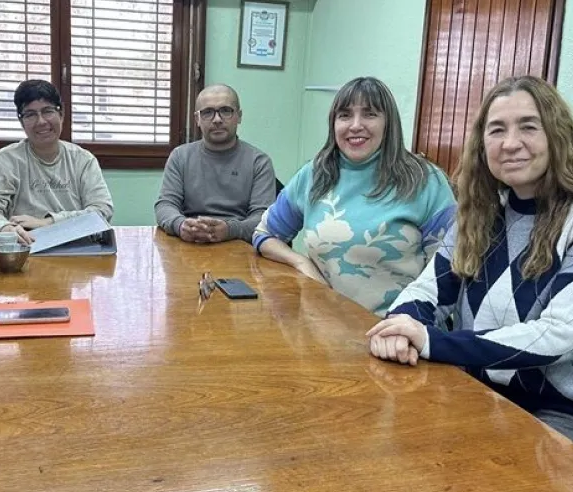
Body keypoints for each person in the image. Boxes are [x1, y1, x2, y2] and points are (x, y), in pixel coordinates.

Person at [367, 76, 573, 487]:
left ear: (558, 135)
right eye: (497, 129)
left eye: (528, 126)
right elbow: (428, 290)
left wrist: (431, 340)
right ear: (481, 144)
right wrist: (401, 326)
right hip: (496, 405)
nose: (510, 142)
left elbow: (562, 336)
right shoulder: (480, 214)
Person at [253, 77, 455, 314]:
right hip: (319, 325)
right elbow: (265, 234)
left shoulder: (424, 180)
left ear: (388, 123)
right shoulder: (315, 174)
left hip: (394, 331)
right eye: (345, 115)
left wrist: (407, 327)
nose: (355, 125)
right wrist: (302, 263)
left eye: (369, 114)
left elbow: (450, 270)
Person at [0, 79, 113, 243]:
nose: (41, 122)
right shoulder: (4, 161)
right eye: (30, 114)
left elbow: (102, 211)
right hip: (25, 247)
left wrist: (48, 222)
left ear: (62, 114)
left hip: (75, 247)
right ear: (21, 121)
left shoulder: (83, 160)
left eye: (48, 111)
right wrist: (5, 228)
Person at [155, 84, 276, 243]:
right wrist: (181, 225)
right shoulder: (180, 156)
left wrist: (229, 230)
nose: (217, 119)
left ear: (239, 116)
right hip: (189, 241)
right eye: (208, 112)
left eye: (226, 111)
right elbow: (165, 205)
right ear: (197, 119)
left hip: (239, 244)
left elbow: (262, 217)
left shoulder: (259, 162)